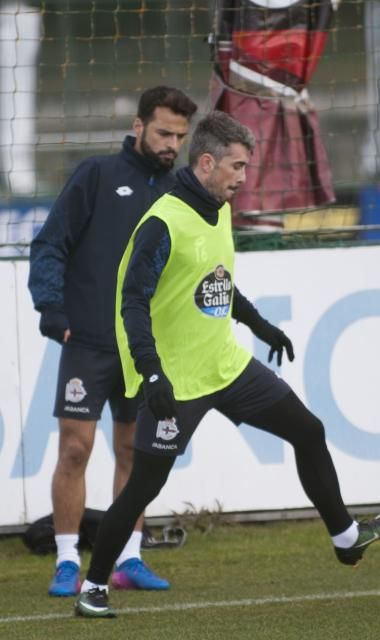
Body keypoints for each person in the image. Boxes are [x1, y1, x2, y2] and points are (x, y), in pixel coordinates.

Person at [74, 111, 380, 618]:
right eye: (237, 167)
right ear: (206, 163)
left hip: (227, 366)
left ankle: (345, 538)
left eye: (246, 168)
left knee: (308, 431)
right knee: (144, 486)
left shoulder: (219, 207)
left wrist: (258, 324)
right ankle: (93, 587)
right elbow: (132, 303)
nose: (243, 178)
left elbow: (218, 281)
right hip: (176, 380)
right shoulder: (163, 222)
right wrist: (152, 372)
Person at [27, 85, 198, 597]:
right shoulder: (96, 176)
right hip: (89, 340)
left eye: (180, 136)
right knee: (75, 449)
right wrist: (52, 309)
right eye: (164, 132)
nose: (171, 144)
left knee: (133, 450)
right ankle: (64, 560)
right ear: (139, 126)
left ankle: (128, 558)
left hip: (142, 349)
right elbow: (50, 244)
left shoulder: (180, 194)